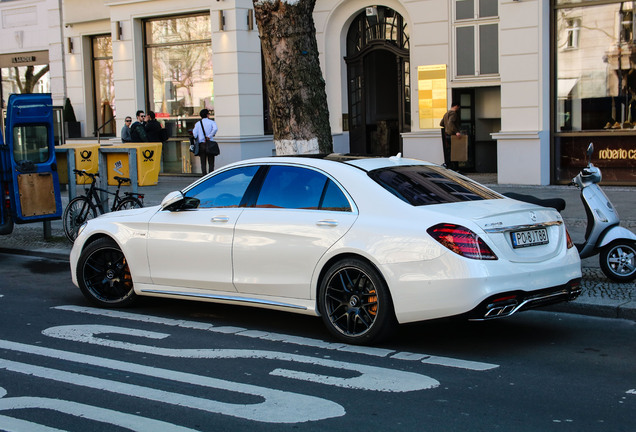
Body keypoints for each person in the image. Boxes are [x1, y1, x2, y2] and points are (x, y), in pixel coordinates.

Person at [192, 108, 218, 175]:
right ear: (207, 115)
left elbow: (194, 134)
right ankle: (211, 176)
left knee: (203, 162)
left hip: (202, 144)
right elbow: (215, 129)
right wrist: (209, 136)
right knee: (211, 162)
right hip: (210, 144)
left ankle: (204, 176)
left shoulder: (198, 124)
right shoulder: (212, 122)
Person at [439, 101, 462, 169]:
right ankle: (455, 168)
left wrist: (447, 128)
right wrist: (456, 131)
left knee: (449, 151)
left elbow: (441, 123)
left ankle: (449, 166)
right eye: (458, 107)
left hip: (447, 135)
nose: (458, 108)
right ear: (456, 106)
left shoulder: (446, 113)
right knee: (455, 152)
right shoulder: (453, 113)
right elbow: (451, 122)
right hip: (453, 135)